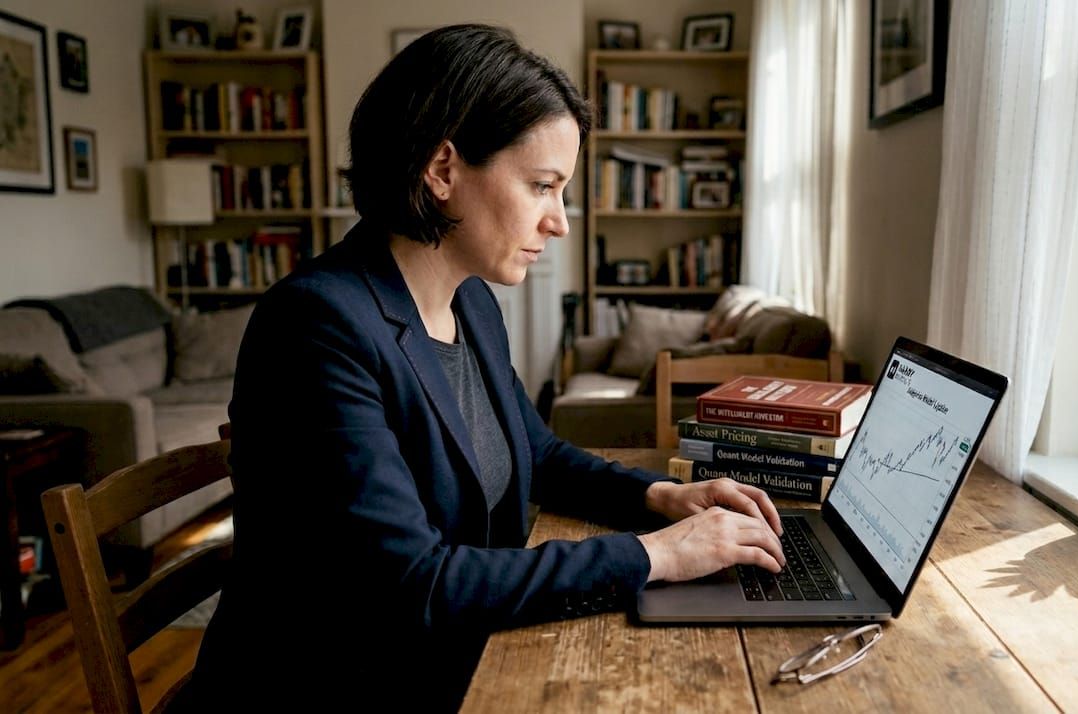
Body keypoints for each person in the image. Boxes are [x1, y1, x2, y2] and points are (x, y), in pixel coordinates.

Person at [183, 24, 785, 712]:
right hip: (338, 686)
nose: (559, 221)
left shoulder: (470, 301)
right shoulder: (316, 326)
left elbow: (537, 451)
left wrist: (659, 499)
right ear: (443, 171)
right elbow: (414, 585)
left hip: (447, 657)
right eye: (541, 186)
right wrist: (660, 556)